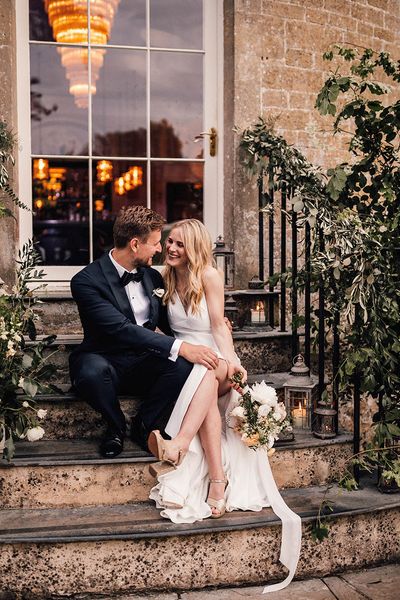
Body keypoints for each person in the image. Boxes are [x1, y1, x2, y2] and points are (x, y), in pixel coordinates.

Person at [147, 219, 302, 593]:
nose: (170, 248)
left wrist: (232, 360)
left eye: (179, 244)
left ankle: (180, 445)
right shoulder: (163, 278)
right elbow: (165, 326)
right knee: (204, 380)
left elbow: (218, 325)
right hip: (183, 358)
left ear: (195, 247)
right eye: (169, 242)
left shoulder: (210, 277)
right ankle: (218, 478)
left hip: (211, 353)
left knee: (211, 369)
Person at [69, 206, 221, 458]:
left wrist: (212, 324)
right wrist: (182, 347)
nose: (161, 249)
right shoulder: (86, 281)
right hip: (106, 358)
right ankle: (115, 427)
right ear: (135, 244)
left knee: (183, 366)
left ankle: (144, 425)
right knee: (91, 371)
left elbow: (168, 321)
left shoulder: (153, 277)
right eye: (156, 243)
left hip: (144, 359)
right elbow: (121, 328)